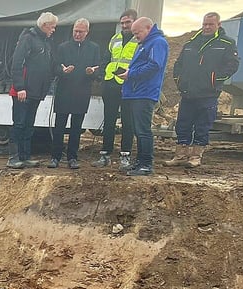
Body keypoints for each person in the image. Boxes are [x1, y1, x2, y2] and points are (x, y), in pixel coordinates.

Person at [165, 12, 239, 168]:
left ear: (218, 25)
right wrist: (180, 81)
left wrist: (214, 80)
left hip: (208, 94)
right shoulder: (191, 43)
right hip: (188, 92)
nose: (207, 27)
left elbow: (232, 65)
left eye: (210, 24)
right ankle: (180, 155)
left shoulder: (226, 43)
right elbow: (179, 64)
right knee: (183, 124)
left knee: (202, 125)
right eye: (205, 24)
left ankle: (195, 156)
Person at [48, 18, 101, 169]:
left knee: (76, 128)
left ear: (87, 32)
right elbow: (55, 67)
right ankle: (55, 157)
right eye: (75, 31)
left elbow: (98, 70)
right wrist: (62, 71)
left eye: (80, 32)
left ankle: (72, 157)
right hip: (64, 91)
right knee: (59, 127)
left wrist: (92, 72)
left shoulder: (94, 48)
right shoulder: (63, 47)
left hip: (82, 92)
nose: (77, 34)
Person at [118, 17, 168, 176]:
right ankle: (140, 162)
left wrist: (131, 74)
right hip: (135, 92)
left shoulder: (157, 43)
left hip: (144, 93)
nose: (135, 36)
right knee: (138, 130)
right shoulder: (145, 44)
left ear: (148, 28)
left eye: (137, 33)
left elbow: (154, 65)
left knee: (143, 130)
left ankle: (146, 164)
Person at [8, 12, 58, 169]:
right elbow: (17, 63)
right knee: (19, 123)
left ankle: (25, 156)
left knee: (29, 125)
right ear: (44, 25)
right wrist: (20, 87)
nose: (53, 30)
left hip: (36, 92)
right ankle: (13, 157)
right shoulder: (27, 39)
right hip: (23, 92)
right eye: (52, 27)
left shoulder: (46, 42)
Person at [93, 9, 138, 169]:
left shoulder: (139, 40)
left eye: (128, 22)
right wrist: (102, 75)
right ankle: (105, 154)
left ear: (135, 22)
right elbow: (106, 58)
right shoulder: (115, 38)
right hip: (111, 84)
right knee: (109, 120)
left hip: (128, 86)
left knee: (127, 122)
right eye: (122, 23)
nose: (124, 25)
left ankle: (125, 156)